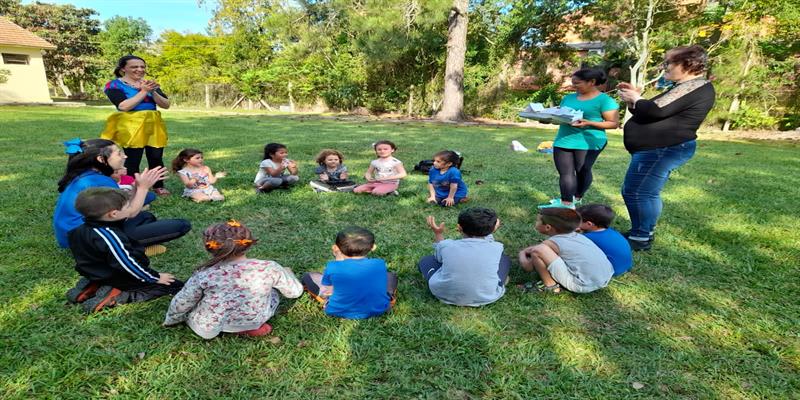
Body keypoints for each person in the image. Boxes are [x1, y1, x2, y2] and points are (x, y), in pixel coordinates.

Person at [618, 45, 715, 251]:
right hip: (658, 149)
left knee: (637, 192)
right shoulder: (683, 88)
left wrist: (637, 98)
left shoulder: (693, 87)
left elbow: (654, 111)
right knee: (646, 192)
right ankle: (642, 232)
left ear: (688, 64)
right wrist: (634, 100)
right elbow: (646, 113)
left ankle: (641, 237)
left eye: (669, 63)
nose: (665, 68)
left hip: (663, 149)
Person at [163, 220, 303, 339]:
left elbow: (182, 301)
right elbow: (295, 292)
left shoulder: (204, 274)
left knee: (195, 300)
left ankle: (232, 326)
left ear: (209, 248)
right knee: (272, 292)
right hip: (254, 319)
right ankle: (248, 327)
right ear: (248, 244)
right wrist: (287, 274)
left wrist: (172, 319)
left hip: (209, 328)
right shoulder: (268, 267)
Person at [53, 138, 191, 251]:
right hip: (89, 242)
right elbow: (128, 213)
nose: (124, 156)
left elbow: (121, 207)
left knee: (147, 216)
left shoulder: (87, 175)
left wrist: (136, 188)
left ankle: (130, 244)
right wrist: (143, 188)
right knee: (182, 225)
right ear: (101, 159)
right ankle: (130, 249)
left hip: (82, 234)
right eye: (119, 154)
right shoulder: (100, 182)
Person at [66, 187, 183, 313]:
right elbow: (126, 263)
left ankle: (95, 284)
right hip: (119, 276)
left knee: (106, 276)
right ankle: (119, 295)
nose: (130, 209)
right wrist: (154, 277)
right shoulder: (110, 237)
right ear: (114, 214)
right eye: (127, 207)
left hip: (95, 272)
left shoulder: (78, 230)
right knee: (173, 286)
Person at [539, 68, 620, 209]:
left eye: (578, 83)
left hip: (589, 141)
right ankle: (566, 204)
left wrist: (588, 122)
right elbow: (562, 116)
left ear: (592, 82)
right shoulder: (568, 98)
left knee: (582, 170)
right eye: (573, 83)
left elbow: (613, 124)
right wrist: (548, 118)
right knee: (565, 173)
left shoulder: (605, 100)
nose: (573, 86)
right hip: (564, 139)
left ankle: (577, 197)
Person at [100, 55, 172, 196]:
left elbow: (166, 104)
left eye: (142, 67)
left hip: (153, 124)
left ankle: (158, 185)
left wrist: (151, 91)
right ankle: (132, 186)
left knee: (156, 157)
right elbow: (123, 106)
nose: (139, 69)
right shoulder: (114, 85)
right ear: (123, 69)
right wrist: (143, 91)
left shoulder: (149, 83)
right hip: (131, 125)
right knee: (133, 158)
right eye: (134, 67)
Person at [418, 208, 509, 306]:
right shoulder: (497, 247)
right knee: (504, 259)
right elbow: (488, 241)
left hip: (443, 294)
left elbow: (438, 257)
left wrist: (438, 233)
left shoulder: (447, 245)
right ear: (493, 228)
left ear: (459, 227)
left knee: (426, 260)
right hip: (487, 296)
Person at [301, 227, 398, 319]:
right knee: (390, 276)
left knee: (309, 276)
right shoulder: (379, 263)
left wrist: (338, 258)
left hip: (338, 310)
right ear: (373, 247)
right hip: (381, 308)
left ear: (336, 248)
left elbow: (330, 290)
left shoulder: (333, 266)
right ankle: (386, 298)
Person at [518, 208, 613, 294]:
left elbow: (528, 267)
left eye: (538, 221)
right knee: (540, 249)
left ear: (548, 227)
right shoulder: (577, 236)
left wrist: (521, 253)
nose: (536, 222)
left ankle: (551, 286)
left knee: (538, 251)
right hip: (604, 279)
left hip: (583, 285)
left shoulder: (552, 243)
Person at [577, 204, 633, 277]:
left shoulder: (588, 238)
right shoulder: (612, 232)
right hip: (625, 265)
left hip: (612, 270)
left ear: (589, 224)